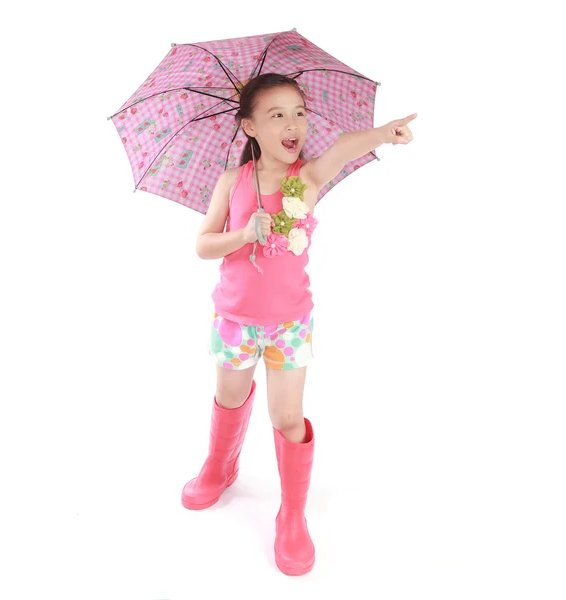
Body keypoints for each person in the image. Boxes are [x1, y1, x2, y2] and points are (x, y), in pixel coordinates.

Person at [181, 72, 416, 576]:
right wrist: (243, 234)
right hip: (236, 320)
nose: (294, 124)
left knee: (288, 417)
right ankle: (220, 467)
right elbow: (203, 244)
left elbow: (346, 147)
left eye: (300, 113)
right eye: (277, 115)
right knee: (229, 397)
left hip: (289, 324)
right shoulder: (231, 182)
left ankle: (291, 515)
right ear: (249, 127)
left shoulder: (306, 178)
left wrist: (383, 133)